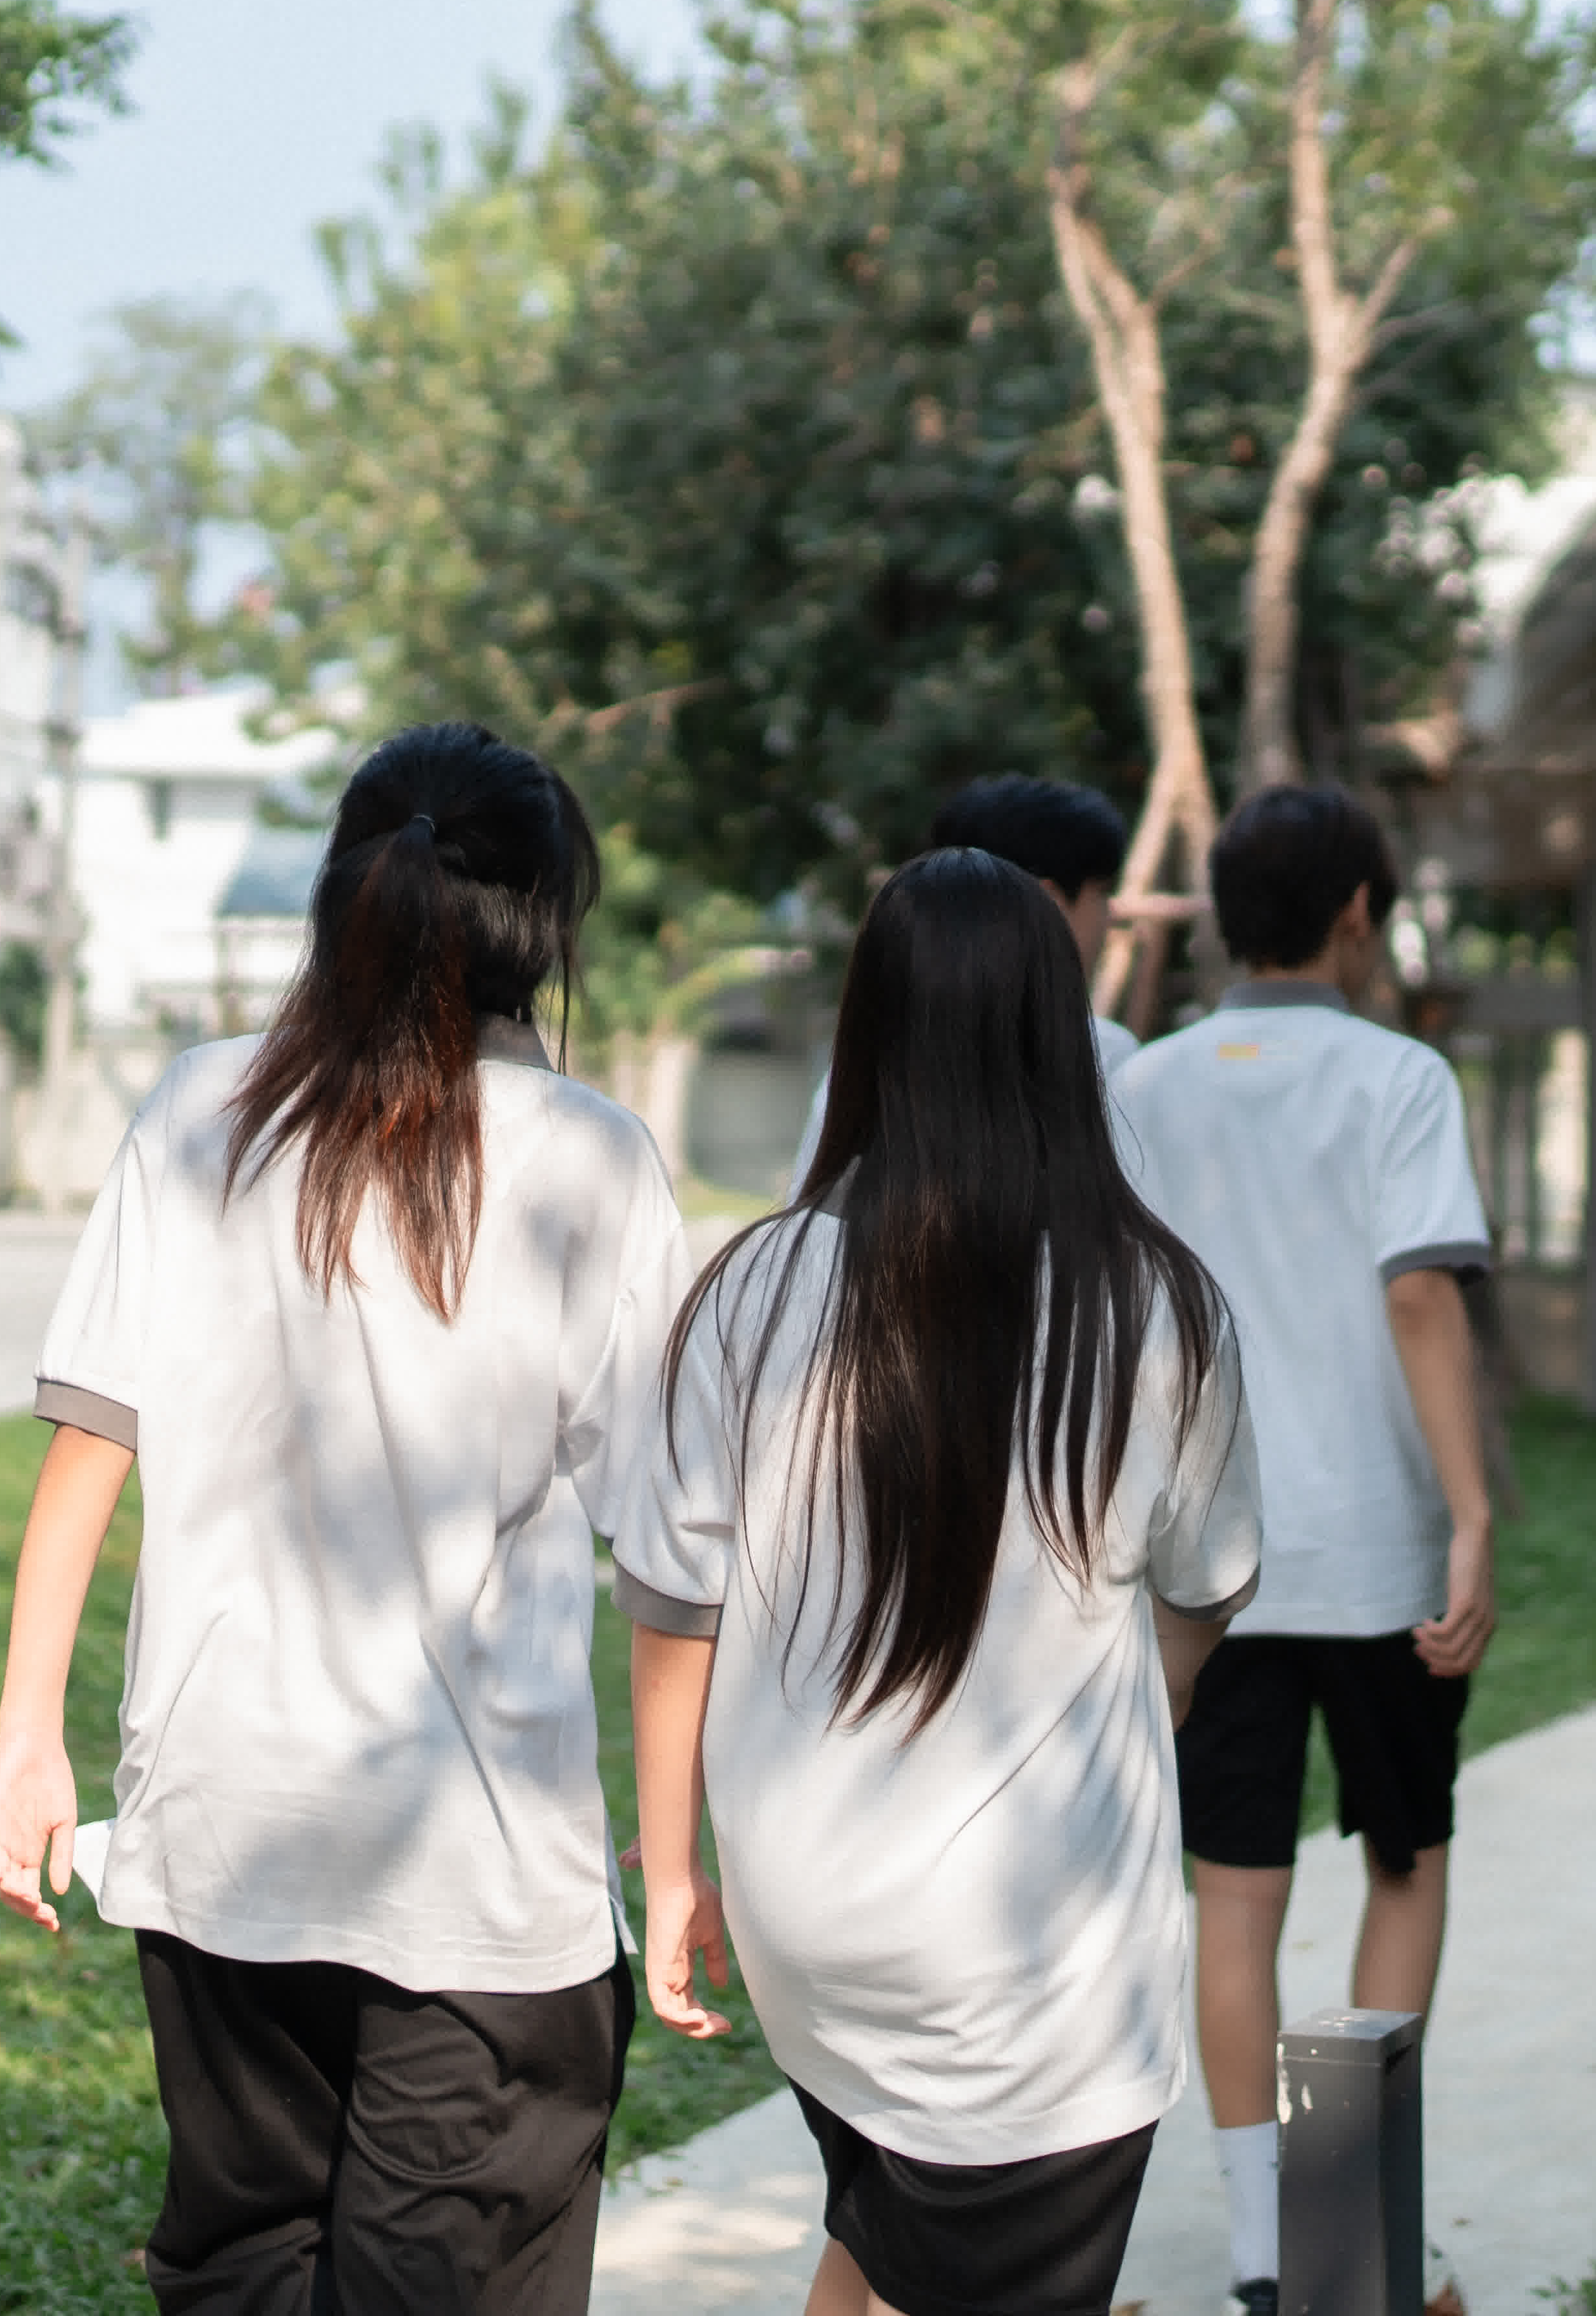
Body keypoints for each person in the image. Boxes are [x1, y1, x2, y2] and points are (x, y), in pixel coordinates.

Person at [0, 721, 686, 2314]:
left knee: (241, 2270)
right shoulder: (593, 1160)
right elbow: (673, 1549)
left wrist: (30, 1733)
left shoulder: (199, 1106)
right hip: (478, 1881)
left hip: (224, 1838)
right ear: (536, 922)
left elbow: (92, 1433)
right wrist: (688, 1829)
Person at [622, 848, 1260, 2316]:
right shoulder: (1155, 1305)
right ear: (1059, 1037)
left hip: (812, 1924)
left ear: (869, 1034)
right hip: (1031, 1956)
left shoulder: (751, 1287)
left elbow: (673, 1610)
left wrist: (670, 1871)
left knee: (879, 2235)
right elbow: (1205, 1587)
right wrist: (1126, 1707)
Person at [1106, 785, 1498, 2316]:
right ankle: (1365, 2232)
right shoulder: (1401, 1078)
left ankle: (1268, 2251)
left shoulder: (1151, 1083)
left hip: (1209, 1558)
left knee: (1236, 1898)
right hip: (1381, 1555)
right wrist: (1470, 1514)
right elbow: (1421, 1297)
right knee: (1404, 1861)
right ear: (1355, 911)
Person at [786, 774, 1142, 1189]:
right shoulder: (1104, 1059)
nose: (1111, 916)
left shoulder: (863, 1071)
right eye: (1102, 894)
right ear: (1049, 901)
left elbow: (816, 1225)